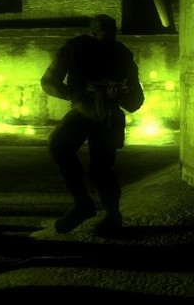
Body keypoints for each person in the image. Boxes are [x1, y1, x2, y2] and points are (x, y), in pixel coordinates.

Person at [40, 13, 144, 235]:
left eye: (110, 33)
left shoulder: (123, 55)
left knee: (100, 168)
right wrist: (77, 94)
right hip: (84, 111)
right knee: (59, 145)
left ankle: (111, 215)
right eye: (101, 33)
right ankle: (83, 203)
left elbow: (136, 101)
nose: (105, 38)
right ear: (92, 32)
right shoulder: (73, 49)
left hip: (108, 116)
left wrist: (121, 94)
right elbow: (49, 82)